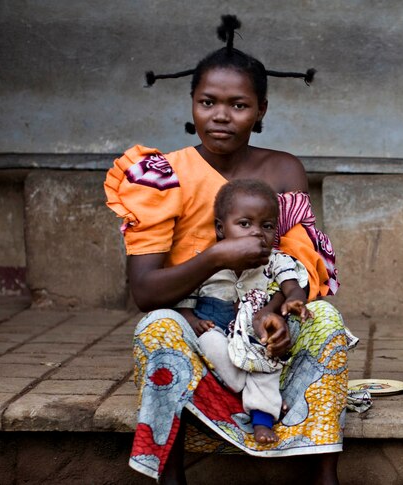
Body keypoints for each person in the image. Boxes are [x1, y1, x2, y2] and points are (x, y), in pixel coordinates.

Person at [104, 15, 347, 485]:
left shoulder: (283, 171)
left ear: (261, 110)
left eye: (238, 105)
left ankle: (321, 471)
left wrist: (274, 311)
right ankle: (171, 475)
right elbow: (146, 292)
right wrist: (218, 256)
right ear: (192, 105)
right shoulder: (161, 175)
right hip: (198, 331)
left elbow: (300, 263)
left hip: (266, 334)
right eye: (208, 102)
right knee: (156, 329)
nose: (221, 115)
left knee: (328, 322)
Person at [175, 179, 315, 445]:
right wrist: (191, 318)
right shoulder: (207, 261)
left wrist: (296, 301)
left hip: (256, 340)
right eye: (244, 224)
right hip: (215, 333)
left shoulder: (277, 260)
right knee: (210, 344)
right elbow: (186, 298)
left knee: (268, 362)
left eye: (267, 226)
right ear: (220, 228)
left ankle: (261, 420)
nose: (256, 233)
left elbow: (293, 286)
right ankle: (248, 396)